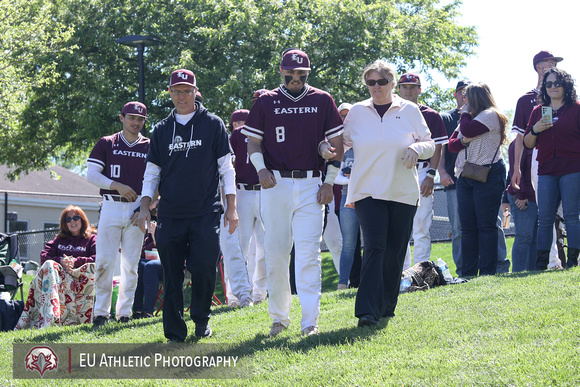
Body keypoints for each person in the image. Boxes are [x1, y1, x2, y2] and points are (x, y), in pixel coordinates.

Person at [242, 48, 344, 337]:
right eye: (291, 72)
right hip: (276, 183)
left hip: (312, 183)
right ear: (281, 71)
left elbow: (337, 142)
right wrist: (261, 170)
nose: (295, 77)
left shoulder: (322, 99)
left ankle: (310, 321)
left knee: (309, 254)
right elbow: (253, 143)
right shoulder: (265, 101)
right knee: (275, 254)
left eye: (302, 73)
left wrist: (329, 181)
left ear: (308, 73)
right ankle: (279, 318)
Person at [134, 69, 237, 341]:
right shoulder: (161, 130)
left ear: (195, 92)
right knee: (172, 274)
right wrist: (145, 205)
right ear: (170, 93)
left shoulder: (213, 124)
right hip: (170, 214)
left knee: (204, 267)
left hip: (206, 212)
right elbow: (151, 173)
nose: (182, 96)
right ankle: (174, 332)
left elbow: (227, 169)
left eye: (187, 90)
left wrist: (232, 206)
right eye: (177, 91)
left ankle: (201, 320)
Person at [343, 60, 434, 327]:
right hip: (366, 190)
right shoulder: (357, 112)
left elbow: (429, 144)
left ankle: (386, 306)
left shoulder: (410, 110)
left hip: (403, 191)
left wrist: (417, 149)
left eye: (381, 82)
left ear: (392, 84)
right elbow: (341, 141)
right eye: (370, 82)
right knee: (374, 247)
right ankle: (367, 312)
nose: (376, 87)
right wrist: (325, 146)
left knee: (394, 251)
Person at [87, 101, 150, 326]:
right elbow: (92, 174)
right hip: (111, 205)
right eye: (132, 117)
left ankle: (125, 313)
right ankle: (101, 313)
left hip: (137, 209)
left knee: (131, 264)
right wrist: (116, 185)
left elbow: (158, 179)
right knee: (104, 261)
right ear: (122, 118)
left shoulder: (150, 146)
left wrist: (148, 207)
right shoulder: (107, 143)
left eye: (140, 119)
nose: (136, 122)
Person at [448, 82, 508, 276]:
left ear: (476, 97)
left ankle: (488, 271)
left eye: (466, 96)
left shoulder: (490, 114)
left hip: (489, 174)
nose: (463, 100)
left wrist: (464, 115)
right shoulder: (470, 118)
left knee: (486, 225)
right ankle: (467, 272)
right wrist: (464, 140)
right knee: (468, 227)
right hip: (466, 175)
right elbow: (452, 145)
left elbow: (469, 131)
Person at [512, 50, 565, 269]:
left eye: (555, 63)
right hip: (537, 156)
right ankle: (552, 261)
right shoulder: (526, 100)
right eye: (549, 63)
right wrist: (515, 169)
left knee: (571, 209)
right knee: (547, 209)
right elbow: (518, 139)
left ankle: (571, 256)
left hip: (567, 157)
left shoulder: (567, 96)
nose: (553, 65)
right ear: (538, 67)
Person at [523, 68, 580, 269]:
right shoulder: (538, 112)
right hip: (546, 170)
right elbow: (528, 143)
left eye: (557, 83)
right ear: (544, 88)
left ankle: (573, 261)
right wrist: (535, 129)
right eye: (549, 84)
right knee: (544, 217)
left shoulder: (576, 109)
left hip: (572, 169)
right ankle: (541, 263)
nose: (553, 87)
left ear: (566, 85)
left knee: (572, 216)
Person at [15, 206, 97, 329]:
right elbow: (44, 257)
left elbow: (98, 258)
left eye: (76, 218)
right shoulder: (59, 240)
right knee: (49, 264)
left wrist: (75, 262)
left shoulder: (91, 240)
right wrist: (61, 261)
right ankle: (50, 316)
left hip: (80, 280)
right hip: (58, 280)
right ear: (64, 224)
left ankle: (50, 318)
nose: (72, 221)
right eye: (68, 219)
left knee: (50, 266)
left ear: (82, 220)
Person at [397, 73, 448, 268]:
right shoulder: (392, 112)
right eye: (404, 86)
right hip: (398, 171)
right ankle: (401, 273)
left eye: (412, 86)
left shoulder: (431, 115)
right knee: (400, 226)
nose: (408, 90)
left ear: (419, 89)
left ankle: (420, 271)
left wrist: (431, 174)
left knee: (421, 225)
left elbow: (438, 147)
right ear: (398, 89)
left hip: (422, 170)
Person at [228, 108, 267, 305]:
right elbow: (229, 164)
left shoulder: (268, 130)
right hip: (241, 192)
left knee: (264, 247)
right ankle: (235, 295)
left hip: (265, 191)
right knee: (239, 247)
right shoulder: (236, 134)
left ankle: (259, 294)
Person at [439, 81, 469, 275]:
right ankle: (462, 269)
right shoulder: (445, 117)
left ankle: (495, 266)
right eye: (461, 92)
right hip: (453, 180)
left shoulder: (484, 115)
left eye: (468, 92)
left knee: (490, 223)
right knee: (457, 228)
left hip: (481, 179)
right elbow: (439, 147)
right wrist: (441, 171)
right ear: (455, 95)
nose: (464, 95)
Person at [334, 102, 363, 290]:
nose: (345, 119)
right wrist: (354, 178)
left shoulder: (365, 140)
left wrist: (353, 176)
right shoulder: (338, 146)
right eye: (342, 116)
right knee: (348, 244)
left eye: (348, 115)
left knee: (371, 244)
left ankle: (371, 281)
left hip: (368, 196)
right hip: (347, 198)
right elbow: (336, 178)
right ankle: (343, 283)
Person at [505, 141, 537, 272]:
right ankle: (518, 272)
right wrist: (521, 195)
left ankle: (533, 271)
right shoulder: (518, 144)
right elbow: (515, 171)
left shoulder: (538, 140)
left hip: (536, 197)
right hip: (523, 197)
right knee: (524, 236)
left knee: (535, 238)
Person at [132, 215, 162, 319]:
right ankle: (137, 309)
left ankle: (148, 311)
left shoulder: (173, 224)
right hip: (153, 263)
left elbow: (165, 247)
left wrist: (155, 236)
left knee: (150, 266)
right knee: (140, 264)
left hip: (172, 263)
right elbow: (144, 251)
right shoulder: (154, 227)